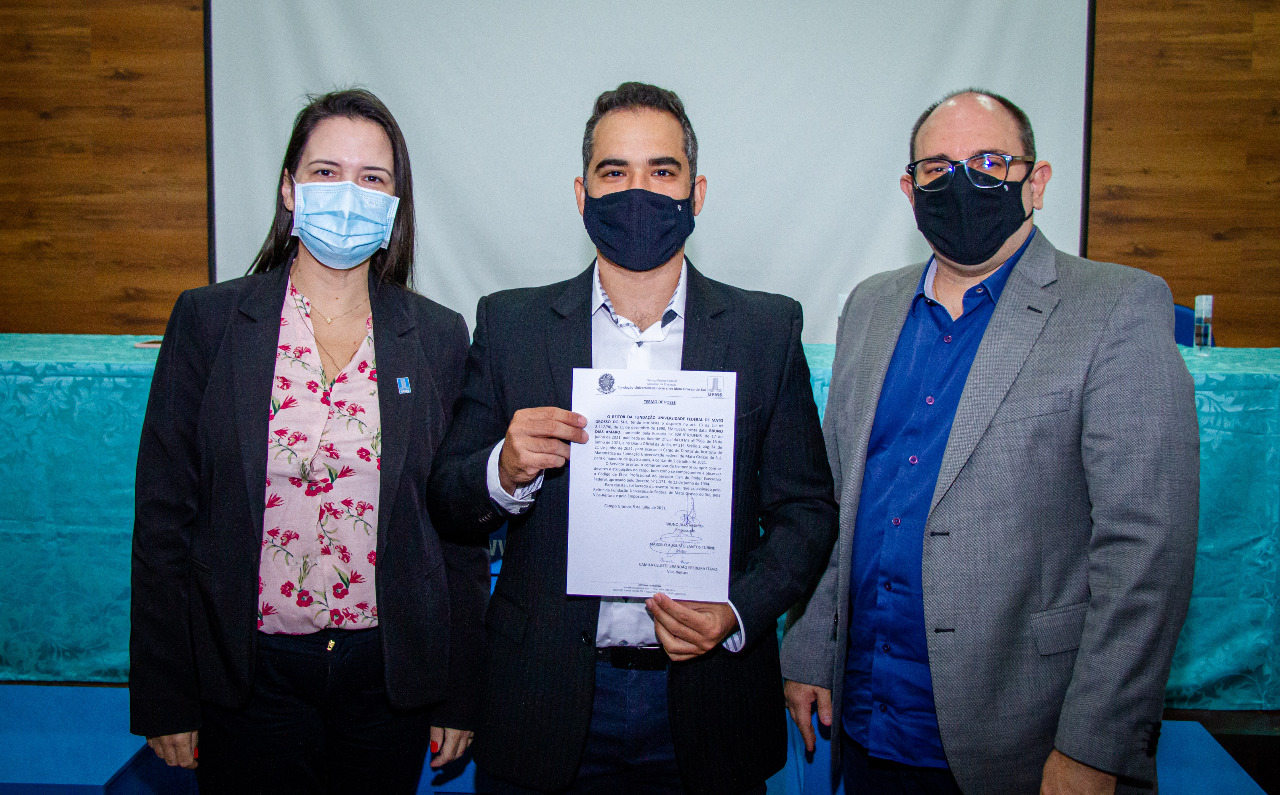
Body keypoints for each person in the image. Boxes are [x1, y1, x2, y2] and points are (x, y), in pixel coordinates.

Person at [781, 88, 1200, 795]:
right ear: (911, 190)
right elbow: (839, 495)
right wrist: (811, 648)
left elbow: (1147, 550)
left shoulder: (1116, 308)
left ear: (1036, 181)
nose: (963, 183)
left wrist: (1096, 747)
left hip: (1025, 737)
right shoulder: (870, 306)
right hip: (867, 717)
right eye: (939, 168)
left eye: (988, 162)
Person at [426, 82, 839, 794]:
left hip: (710, 702)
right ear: (581, 194)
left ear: (696, 192)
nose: (637, 191)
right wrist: (503, 468)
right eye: (614, 172)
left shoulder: (765, 331)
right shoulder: (511, 325)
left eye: (662, 170)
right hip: (543, 697)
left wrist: (737, 611)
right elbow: (448, 500)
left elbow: (806, 511)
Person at [129, 88, 488, 793]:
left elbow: (455, 531)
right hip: (247, 672)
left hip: (387, 674)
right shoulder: (209, 322)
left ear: (394, 207)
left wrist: (460, 691)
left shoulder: (438, 336)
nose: (348, 194)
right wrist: (167, 693)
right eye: (326, 172)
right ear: (290, 189)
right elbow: (164, 517)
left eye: (372, 178)